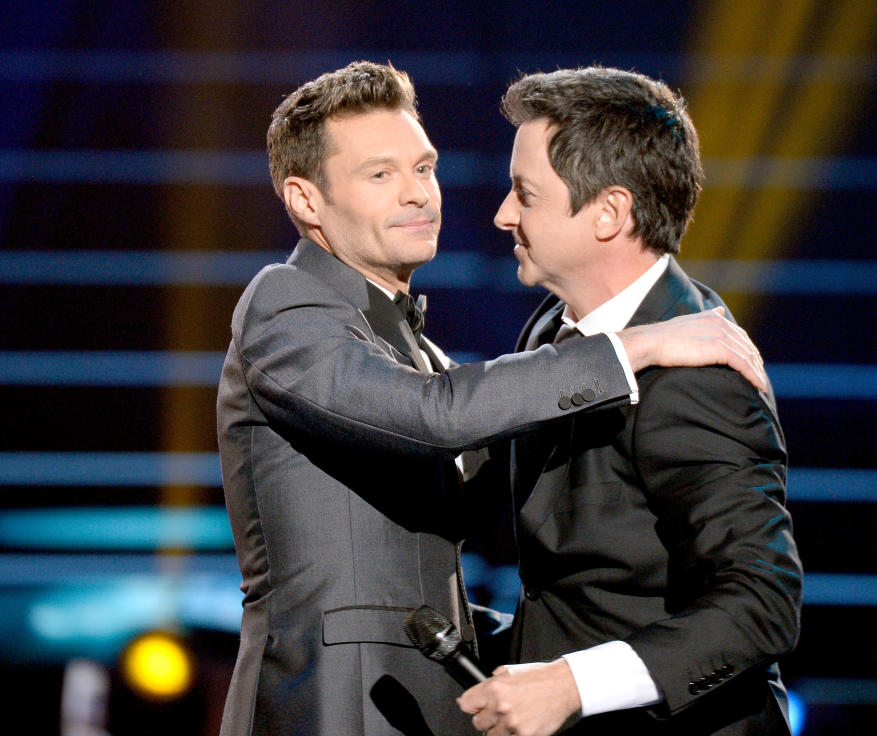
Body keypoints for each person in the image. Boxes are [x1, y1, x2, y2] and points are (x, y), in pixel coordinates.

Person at [216, 62, 769, 736]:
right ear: (306, 201)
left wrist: (557, 671)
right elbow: (434, 415)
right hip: (338, 704)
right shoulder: (285, 306)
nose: (421, 195)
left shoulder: (421, 343)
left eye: (424, 168)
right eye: (380, 175)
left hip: (427, 704)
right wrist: (635, 348)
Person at [458, 68, 802, 736]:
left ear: (610, 213)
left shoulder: (700, 375)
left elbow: (762, 602)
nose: (503, 213)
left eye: (525, 194)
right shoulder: (552, 328)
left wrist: (572, 684)